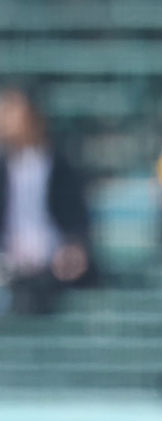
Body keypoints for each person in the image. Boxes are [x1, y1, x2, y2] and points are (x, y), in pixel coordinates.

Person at [0, 87, 96, 314]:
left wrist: (74, 246)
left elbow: (76, 216)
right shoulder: (4, 165)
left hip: (53, 260)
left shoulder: (60, 163)